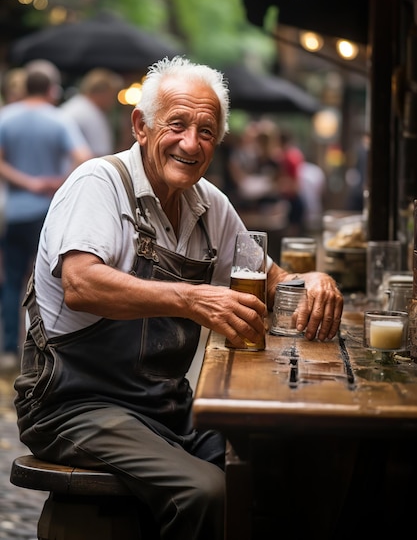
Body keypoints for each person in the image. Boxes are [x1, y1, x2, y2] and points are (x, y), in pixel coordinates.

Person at [14, 56, 343, 540]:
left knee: (274, 465)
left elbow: (275, 281)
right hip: (73, 405)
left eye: (207, 131)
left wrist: (312, 281)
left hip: (163, 407)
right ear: (141, 126)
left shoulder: (211, 204)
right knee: (206, 493)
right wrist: (192, 298)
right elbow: (81, 284)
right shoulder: (98, 184)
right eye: (178, 125)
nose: (191, 143)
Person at [0, 60, 92, 368]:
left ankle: (8, 349)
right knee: (41, 281)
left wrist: (26, 181)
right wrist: (55, 181)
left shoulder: (6, 117)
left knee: (12, 280)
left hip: (14, 213)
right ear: (52, 89)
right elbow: (84, 159)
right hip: (48, 215)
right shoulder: (60, 121)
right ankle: (39, 349)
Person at [60, 67, 124, 156]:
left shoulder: (73, 105)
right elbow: (101, 154)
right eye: (112, 95)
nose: (113, 101)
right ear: (103, 93)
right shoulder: (91, 114)